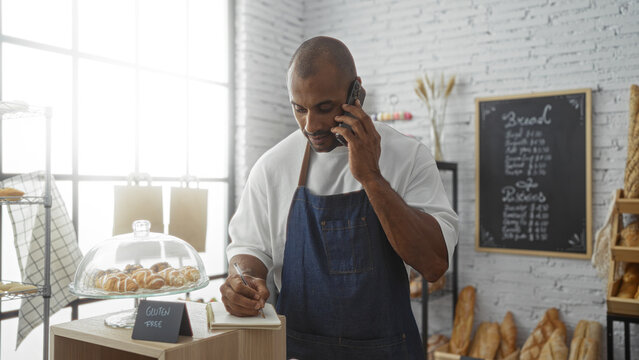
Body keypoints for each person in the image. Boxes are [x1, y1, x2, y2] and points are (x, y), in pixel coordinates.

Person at [221, 36, 458, 359]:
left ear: (356, 92)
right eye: (299, 109)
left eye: (324, 108)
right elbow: (249, 247)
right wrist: (244, 279)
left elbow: (434, 264)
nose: (311, 125)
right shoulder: (272, 166)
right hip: (297, 351)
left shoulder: (408, 156)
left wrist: (371, 178)